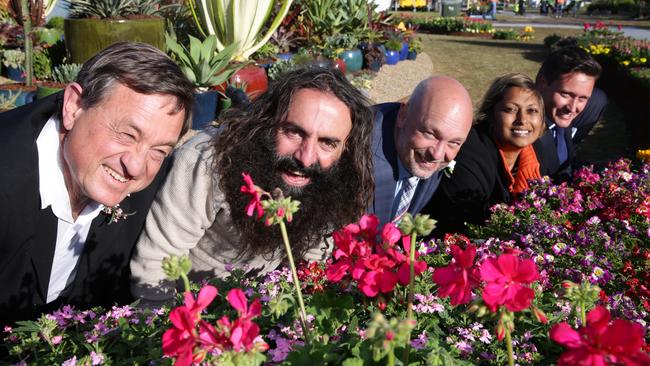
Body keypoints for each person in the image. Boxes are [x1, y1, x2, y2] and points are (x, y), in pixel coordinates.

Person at [130, 67, 374, 304]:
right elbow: (157, 260)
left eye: (327, 143)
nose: (306, 157)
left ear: (346, 147)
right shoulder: (209, 161)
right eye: (294, 132)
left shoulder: (334, 176)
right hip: (191, 306)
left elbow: (312, 256)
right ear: (267, 121)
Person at [0, 42, 195, 325]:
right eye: (127, 135)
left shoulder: (151, 181)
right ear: (73, 107)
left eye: (159, 150)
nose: (136, 167)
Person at [423, 73, 546, 236]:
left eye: (532, 111)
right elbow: (466, 224)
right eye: (510, 109)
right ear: (491, 114)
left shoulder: (534, 157)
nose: (522, 119)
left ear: (542, 122)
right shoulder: (470, 157)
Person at [368, 76, 473, 225]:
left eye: (454, 142)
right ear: (403, 116)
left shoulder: (428, 153)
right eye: (430, 134)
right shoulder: (356, 149)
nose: (437, 154)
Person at [535, 45, 606, 181]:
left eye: (582, 98)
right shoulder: (522, 131)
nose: (572, 108)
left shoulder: (556, 116)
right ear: (542, 83)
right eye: (566, 94)